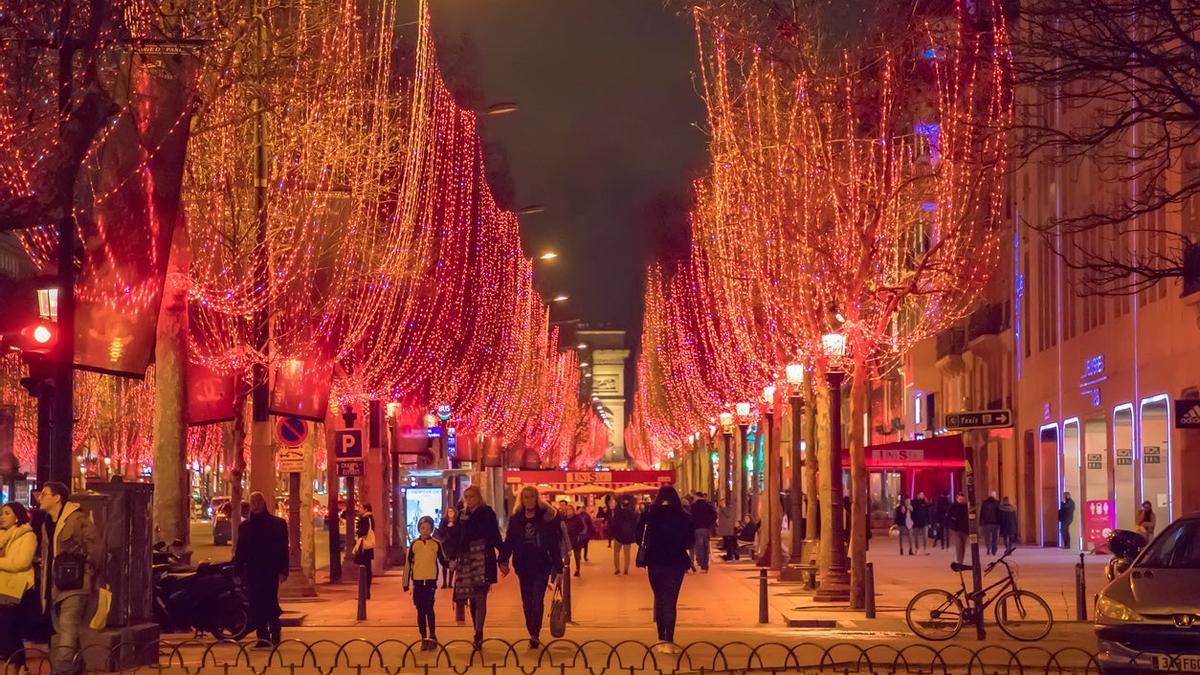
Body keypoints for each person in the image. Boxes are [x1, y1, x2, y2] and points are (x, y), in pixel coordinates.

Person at [37, 481, 102, 675]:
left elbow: (96, 549)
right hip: (54, 587)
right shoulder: (46, 523)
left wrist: (86, 574)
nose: (40, 497)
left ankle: (61, 671)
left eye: (45, 494)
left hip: (75, 587)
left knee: (68, 632)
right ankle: (77, 669)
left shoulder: (77, 520)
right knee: (67, 633)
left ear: (57, 498)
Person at [498, 486, 563, 649]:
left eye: (532, 497)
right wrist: (503, 559)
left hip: (541, 565)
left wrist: (559, 569)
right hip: (523, 565)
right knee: (527, 602)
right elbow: (510, 541)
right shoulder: (516, 519)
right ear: (522, 499)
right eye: (526, 497)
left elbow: (553, 544)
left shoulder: (544, 518)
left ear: (537, 499)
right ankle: (531, 629)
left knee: (537, 600)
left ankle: (535, 633)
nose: (529, 500)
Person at [636, 486, 694, 655]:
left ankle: (660, 638)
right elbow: (690, 542)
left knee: (659, 598)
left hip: (655, 560)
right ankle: (669, 640)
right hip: (676, 562)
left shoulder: (649, 515)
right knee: (671, 600)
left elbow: (638, 536)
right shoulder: (684, 516)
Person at [450, 486, 503, 650]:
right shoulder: (463, 514)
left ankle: (479, 632)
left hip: (483, 557)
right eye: (466, 497)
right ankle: (476, 629)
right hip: (466, 559)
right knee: (472, 598)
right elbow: (458, 537)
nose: (468, 500)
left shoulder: (486, 512)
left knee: (480, 596)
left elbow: (494, 534)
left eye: (471, 496)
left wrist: (503, 556)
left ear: (479, 497)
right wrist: (452, 557)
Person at [234, 491, 289, 648]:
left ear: (264, 503)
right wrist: (237, 571)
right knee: (255, 604)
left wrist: (284, 570)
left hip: (270, 571)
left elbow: (283, 549)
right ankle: (262, 636)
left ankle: (275, 631)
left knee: (270, 603)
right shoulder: (245, 527)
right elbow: (241, 551)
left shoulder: (277, 524)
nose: (256, 505)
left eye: (259, 501)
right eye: (253, 502)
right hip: (252, 571)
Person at [0, 502, 36, 674]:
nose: (2, 517)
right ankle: (16, 666)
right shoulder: (1, 537)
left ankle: (18, 667)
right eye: (1, 513)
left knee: (9, 629)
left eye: (7, 513)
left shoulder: (27, 535)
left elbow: (21, 562)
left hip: (17, 589)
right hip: (1, 587)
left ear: (17, 517)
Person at [404, 516, 447, 650]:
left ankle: (432, 635)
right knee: (420, 611)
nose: (425, 531)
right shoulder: (414, 544)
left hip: (430, 582)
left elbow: (442, 560)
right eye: (423, 528)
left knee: (429, 609)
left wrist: (451, 564)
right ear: (419, 528)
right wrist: (405, 582)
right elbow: (408, 565)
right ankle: (423, 637)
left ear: (432, 529)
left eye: (428, 528)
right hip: (417, 582)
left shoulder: (436, 544)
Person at [607, 496, 638, 575]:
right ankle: (626, 569)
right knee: (627, 553)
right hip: (628, 536)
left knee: (616, 552)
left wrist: (613, 534)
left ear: (621, 505)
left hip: (618, 536)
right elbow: (635, 524)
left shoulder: (617, 513)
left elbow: (614, 524)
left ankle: (617, 568)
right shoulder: (632, 514)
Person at [689, 492, 717, 573]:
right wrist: (710, 525)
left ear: (697, 497)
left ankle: (701, 564)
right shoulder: (708, 506)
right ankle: (705, 565)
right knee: (705, 547)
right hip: (706, 529)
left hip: (697, 529)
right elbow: (714, 516)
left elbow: (690, 517)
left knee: (699, 547)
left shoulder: (694, 506)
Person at [354, 503, 376, 597]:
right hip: (368, 548)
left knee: (365, 569)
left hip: (364, 548)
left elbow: (364, 532)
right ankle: (366, 592)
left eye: (361, 507)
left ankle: (365, 592)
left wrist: (357, 531)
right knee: (367, 569)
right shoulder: (370, 518)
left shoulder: (365, 518)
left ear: (366, 509)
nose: (359, 509)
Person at [435, 507, 459, 589]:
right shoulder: (444, 521)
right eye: (448, 511)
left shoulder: (457, 521)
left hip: (453, 545)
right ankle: (444, 582)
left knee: (452, 563)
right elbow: (441, 531)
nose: (450, 513)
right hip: (445, 545)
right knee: (444, 563)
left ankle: (450, 583)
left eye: (452, 511)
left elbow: (459, 532)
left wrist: (453, 526)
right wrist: (448, 527)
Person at [947, 493, 970, 564]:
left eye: (962, 499)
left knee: (963, 546)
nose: (961, 500)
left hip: (965, 529)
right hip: (956, 529)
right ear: (957, 499)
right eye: (960, 499)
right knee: (959, 545)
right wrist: (952, 523)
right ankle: (959, 561)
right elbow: (949, 516)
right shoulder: (953, 506)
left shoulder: (966, 507)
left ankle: (961, 560)